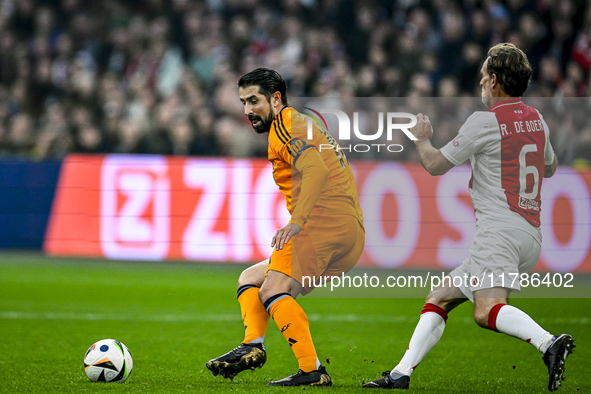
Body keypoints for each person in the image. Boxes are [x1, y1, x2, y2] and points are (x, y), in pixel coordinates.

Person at [363, 43, 574, 391]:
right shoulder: (537, 119)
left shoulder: (484, 121)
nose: (479, 84)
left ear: (494, 81)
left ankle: (548, 343)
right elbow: (549, 168)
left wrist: (423, 139)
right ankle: (401, 374)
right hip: (530, 235)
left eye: (481, 78)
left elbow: (434, 165)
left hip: (499, 233)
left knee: (485, 310)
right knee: (440, 297)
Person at [206, 68, 365, 386]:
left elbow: (316, 171)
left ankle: (313, 371)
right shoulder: (298, 122)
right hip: (349, 230)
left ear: (276, 99)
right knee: (251, 279)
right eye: (243, 103)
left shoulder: (286, 126)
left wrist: (297, 222)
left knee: (273, 290)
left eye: (254, 101)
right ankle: (252, 346)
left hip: (324, 224)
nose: (248, 111)